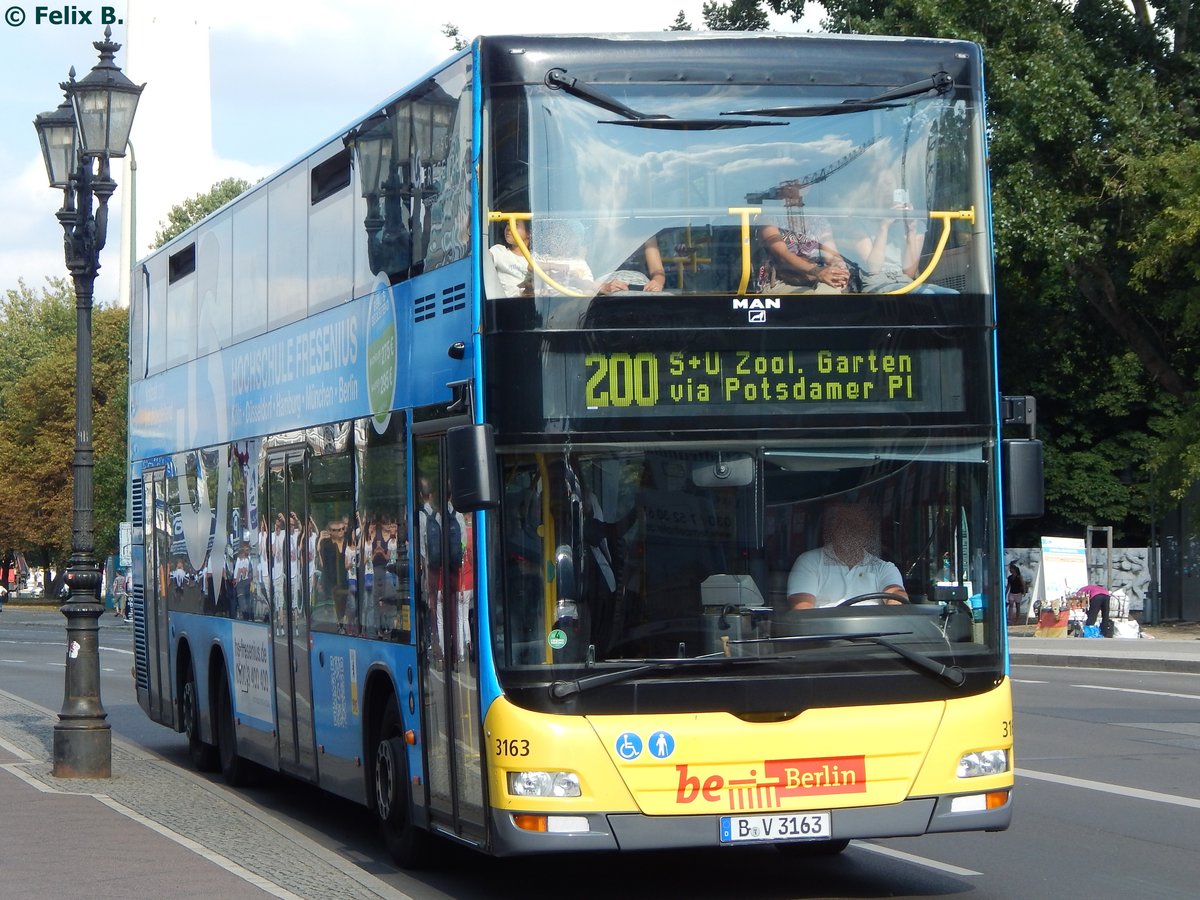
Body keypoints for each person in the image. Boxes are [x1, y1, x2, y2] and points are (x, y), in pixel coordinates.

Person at [787, 503, 908, 609]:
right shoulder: (809, 561)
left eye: (858, 526)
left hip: (875, 628)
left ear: (868, 532)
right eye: (846, 525)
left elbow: (896, 595)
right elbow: (803, 610)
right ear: (834, 529)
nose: (852, 532)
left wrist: (895, 603)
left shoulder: (884, 568)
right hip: (823, 628)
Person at [852, 187, 957, 294]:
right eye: (883, 189)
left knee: (952, 294)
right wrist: (884, 226)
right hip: (877, 282)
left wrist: (911, 230)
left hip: (904, 280)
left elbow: (909, 273)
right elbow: (873, 269)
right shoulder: (860, 224)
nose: (889, 195)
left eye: (895, 192)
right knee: (926, 294)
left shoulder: (917, 226)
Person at [757, 182, 850, 293]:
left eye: (795, 183)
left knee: (831, 292)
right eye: (786, 183)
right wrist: (817, 271)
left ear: (807, 188)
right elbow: (782, 254)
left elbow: (831, 253)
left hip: (817, 277)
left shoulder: (819, 221)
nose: (790, 188)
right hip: (782, 280)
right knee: (812, 297)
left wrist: (840, 267)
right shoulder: (769, 218)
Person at [489, 218, 532, 297]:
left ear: (528, 233)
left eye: (515, 225)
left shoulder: (536, 258)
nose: (508, 228)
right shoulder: (499, 251)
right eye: (508, 224)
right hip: (507, 302)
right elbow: (484, 259)